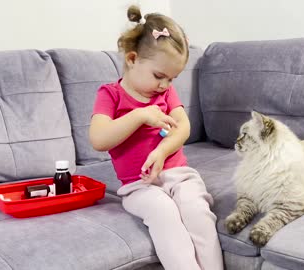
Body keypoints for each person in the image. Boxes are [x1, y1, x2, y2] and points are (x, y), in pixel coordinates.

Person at [89, 5, 224, 270]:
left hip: (179, 175)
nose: (164, 85)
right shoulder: (110, 95)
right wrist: (139, 116)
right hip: (139, 186)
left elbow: (183, 128)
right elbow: (99, 139)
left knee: (197, 212)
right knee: (164, 213)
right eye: (159, 76)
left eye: (172, 79)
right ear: (132, 59)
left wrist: (162, 152)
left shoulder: (164, 94)